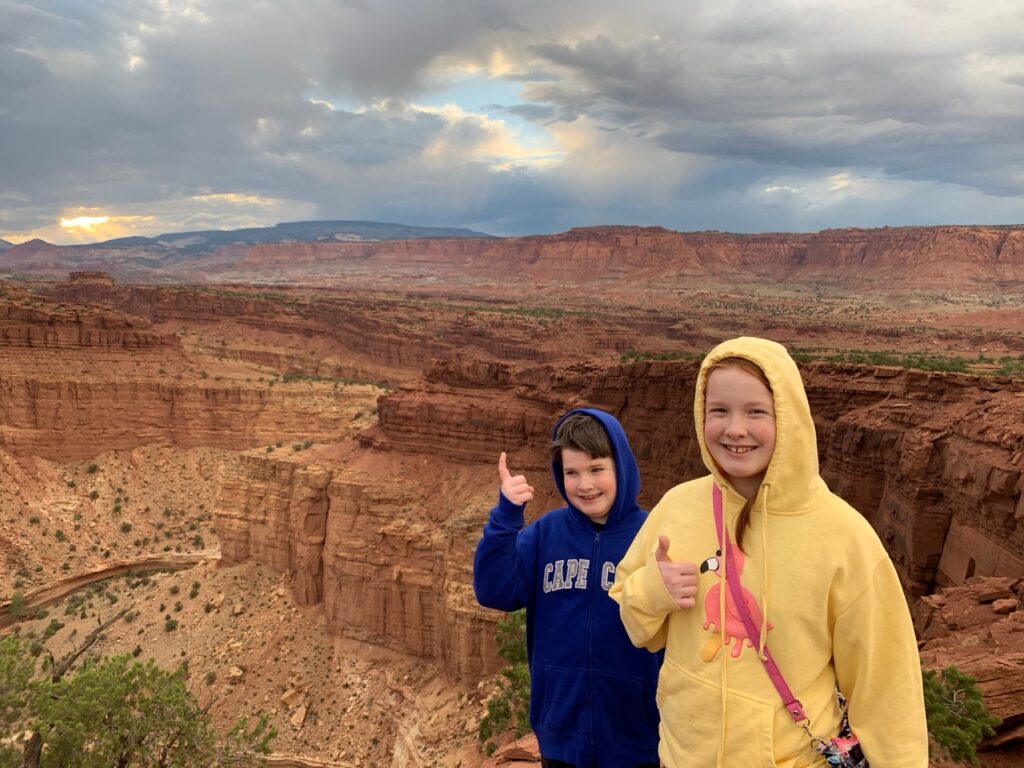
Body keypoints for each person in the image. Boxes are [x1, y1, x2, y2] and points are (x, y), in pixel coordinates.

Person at [610, 337, 928, 767]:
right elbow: (635, 625)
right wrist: (652, 590)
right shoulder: (678, 507)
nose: (734, 429)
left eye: (755, 411)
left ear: (789, 417)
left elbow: (886, 685)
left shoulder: (843, 536)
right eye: (718, 410)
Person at [473, 408, 661, 768]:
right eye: (571, 472)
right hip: (560, 735)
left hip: (636, 738)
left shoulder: (652, 535)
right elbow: (494, 591)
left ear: (620, 466)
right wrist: (506, 517)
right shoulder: (547, 533)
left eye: (596, 469)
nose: (584, 485)